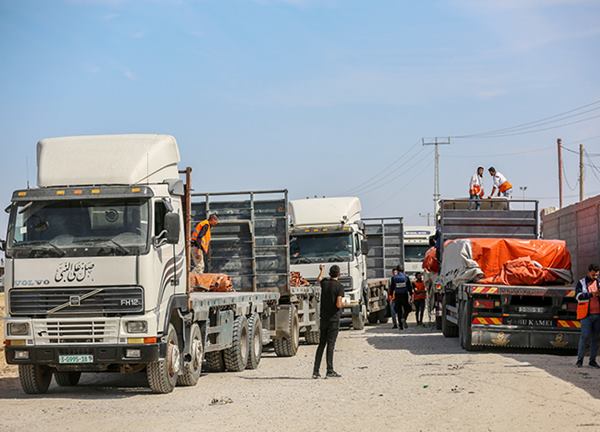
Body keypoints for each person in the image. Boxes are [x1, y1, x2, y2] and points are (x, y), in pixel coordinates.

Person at [313, 264, 344, 379]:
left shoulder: (325, 283)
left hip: (324, 319)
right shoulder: (339, 287)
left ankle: (315, 371)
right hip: (334, 319)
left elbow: (319, 279)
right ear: (339, 274)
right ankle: (329, 370)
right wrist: (344, 304)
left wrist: (322, 270)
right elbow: (338, 304)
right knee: (330, 345)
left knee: (321, 345)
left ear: (330, 274)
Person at [575, 263, 600, 368]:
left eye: (597, 275)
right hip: (586, 315)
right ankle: (579, 360)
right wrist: (591, 294)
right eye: (594, 274)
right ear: (589, 272)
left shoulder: (599, 282)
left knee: (596, 339)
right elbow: (578, 296)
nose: (595, 277)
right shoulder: (581, 283)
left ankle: (592, 361)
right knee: (584, 337)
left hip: (598, 315)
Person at [391, 265, 413, 330]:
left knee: (398, 311)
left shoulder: (394, 278)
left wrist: (391, 295)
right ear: (403, 270)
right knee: (408, 309)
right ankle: (404, 318)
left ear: (397, 270)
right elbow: (409, 287)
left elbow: (392, 288)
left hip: (397, 296)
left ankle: (400, 326)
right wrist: (411, 295)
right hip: (404, 295)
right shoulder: (406, 277)